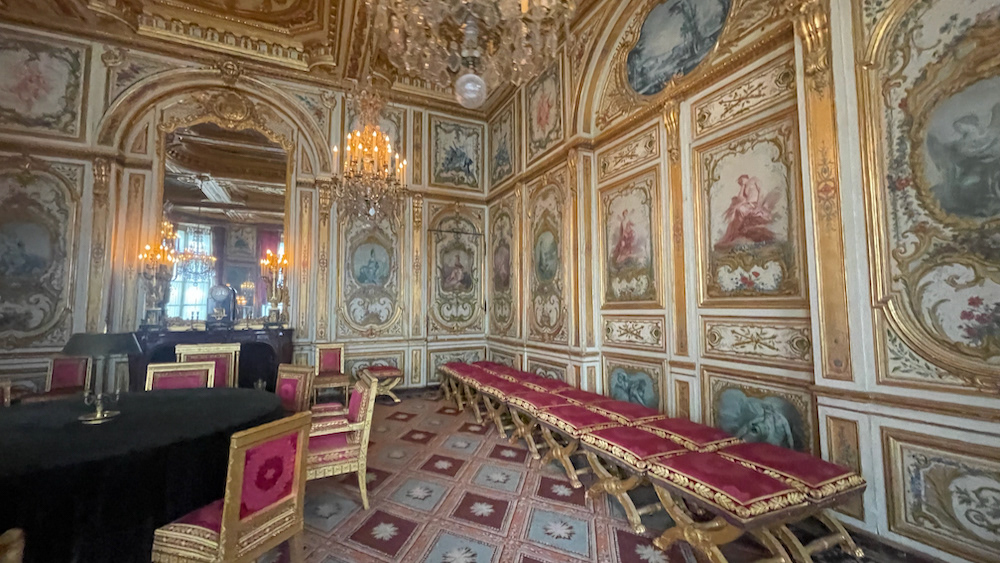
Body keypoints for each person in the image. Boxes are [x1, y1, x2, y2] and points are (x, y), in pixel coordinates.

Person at [714, 174, 779, 250]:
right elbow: (740, 198)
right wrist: (742, 186)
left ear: (744, 177)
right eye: (739, 183)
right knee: (737, 211)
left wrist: (758, 206)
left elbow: (762, 191)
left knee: (740, 209)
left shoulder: (754, 179)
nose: (740, 183)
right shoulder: (745, 188)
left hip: (755, 204)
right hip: (748, 205)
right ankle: (738, 232)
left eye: (741, 180)